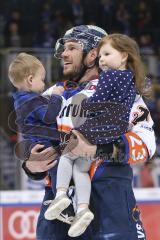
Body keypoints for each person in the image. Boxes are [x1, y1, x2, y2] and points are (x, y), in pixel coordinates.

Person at [21, 25, 156, 240]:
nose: (64, 54)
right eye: (64, 48)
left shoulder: (122, 89)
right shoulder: (52, 94)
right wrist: (31, 165)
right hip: (58, 207)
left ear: (93, 54)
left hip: (110, 201)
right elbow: (32, 139)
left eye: (72, 48)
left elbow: (147, 143)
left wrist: (98, 150)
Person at [8, 52, 65, 197]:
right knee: (59, 167)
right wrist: (56, 97)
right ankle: (61, 198)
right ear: (31, 80)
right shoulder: (32, 101)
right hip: (43, 144)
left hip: (38, 144)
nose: (44, 84)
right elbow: (49, 117)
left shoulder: (22, 100)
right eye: (42, 79)